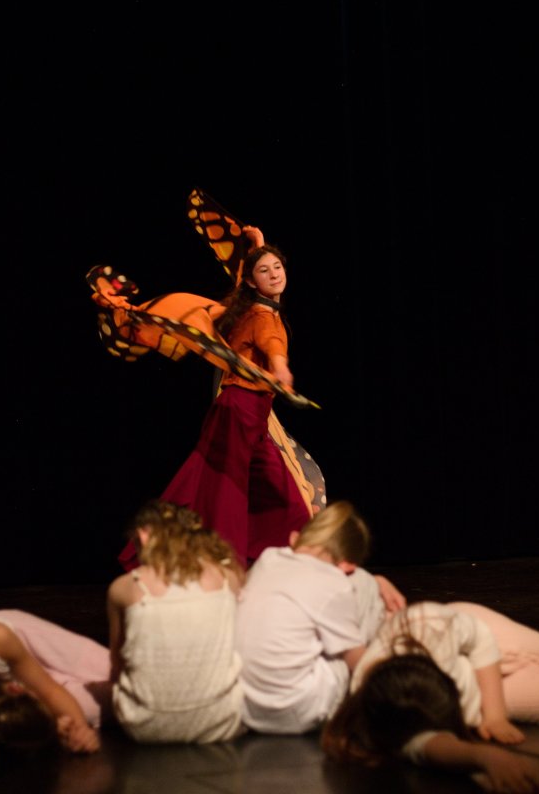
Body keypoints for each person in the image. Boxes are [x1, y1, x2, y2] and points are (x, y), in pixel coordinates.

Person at [321, 601, 539, 792]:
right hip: (483, 689)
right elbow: (427, 746)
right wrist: (485, 757)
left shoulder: (424, 625)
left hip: (476, 641)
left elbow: (482, 641)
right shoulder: (387, 712)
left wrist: (495, 715)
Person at [151, 229, 314, 568]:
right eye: (264, 270)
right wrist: (281, 368)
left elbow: (251, 286)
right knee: (223, 492)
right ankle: (211, 563)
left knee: (282, 494)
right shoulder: (261, 315)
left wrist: (258, 247)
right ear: (253, 282)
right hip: (239, 410)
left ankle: (286, 562)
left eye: (277, 267)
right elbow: (272, 344)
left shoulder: (253, 306)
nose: (274, 274)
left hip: (252, 416)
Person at [233, 500, 405, 734]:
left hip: (248, 707)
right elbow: (357, 660)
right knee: (364, 584)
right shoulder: (333, 582)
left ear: (295, 538)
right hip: (297, 710)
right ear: (346, 567)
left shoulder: (268, 558)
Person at [107, 500, 245, 743]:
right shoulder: (227, 580)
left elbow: (117, 664)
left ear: (144, 536)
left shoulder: (125, 588)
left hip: (142, 725)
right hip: (220, 722)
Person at [0, 609, 111, 763]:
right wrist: (67, 733)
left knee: (111, 671)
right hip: (1, 684)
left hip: (12, 639)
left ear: (14, 688)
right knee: (108, 703)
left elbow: (48, 690)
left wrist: (80, 728)